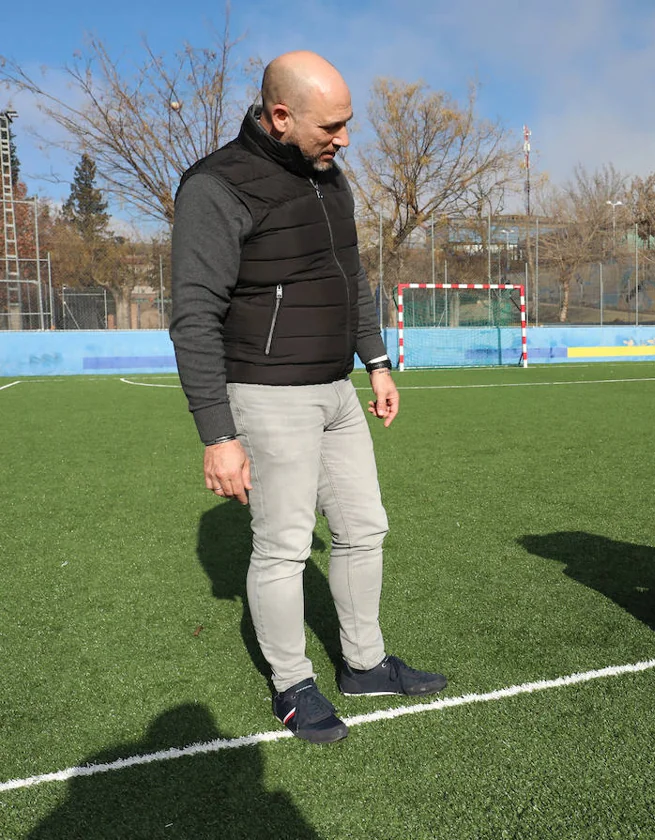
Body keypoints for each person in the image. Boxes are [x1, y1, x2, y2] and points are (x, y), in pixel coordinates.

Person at [169, 50, 446, 744]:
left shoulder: (329, 176)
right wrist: (217, 434)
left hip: (337, 391)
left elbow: (349, 276)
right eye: (333, 126)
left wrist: (376, 362)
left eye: (348, 124)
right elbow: (194, 315)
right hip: (267, 396)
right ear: (281, 115)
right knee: (285, 546)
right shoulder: (215, 186)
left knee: (364, 528)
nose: (344, 139)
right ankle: (293, 685)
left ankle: (365, 663)